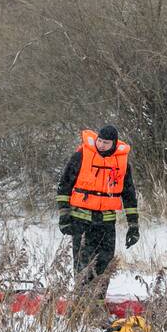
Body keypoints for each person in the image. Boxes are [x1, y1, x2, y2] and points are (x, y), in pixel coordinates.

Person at [56, 125, 139, 299]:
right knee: (83, 264)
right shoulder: (81, 156)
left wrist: (133, 225)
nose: (101, 145)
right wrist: (64, 216)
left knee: (104, 264)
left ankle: (97, 305)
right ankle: (80, 303)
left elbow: (129, 196)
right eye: (99, 141)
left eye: (105, 143)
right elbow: (64, 186)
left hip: (106, 223)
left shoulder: (123, 164)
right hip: (81, 220)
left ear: (114, 144)